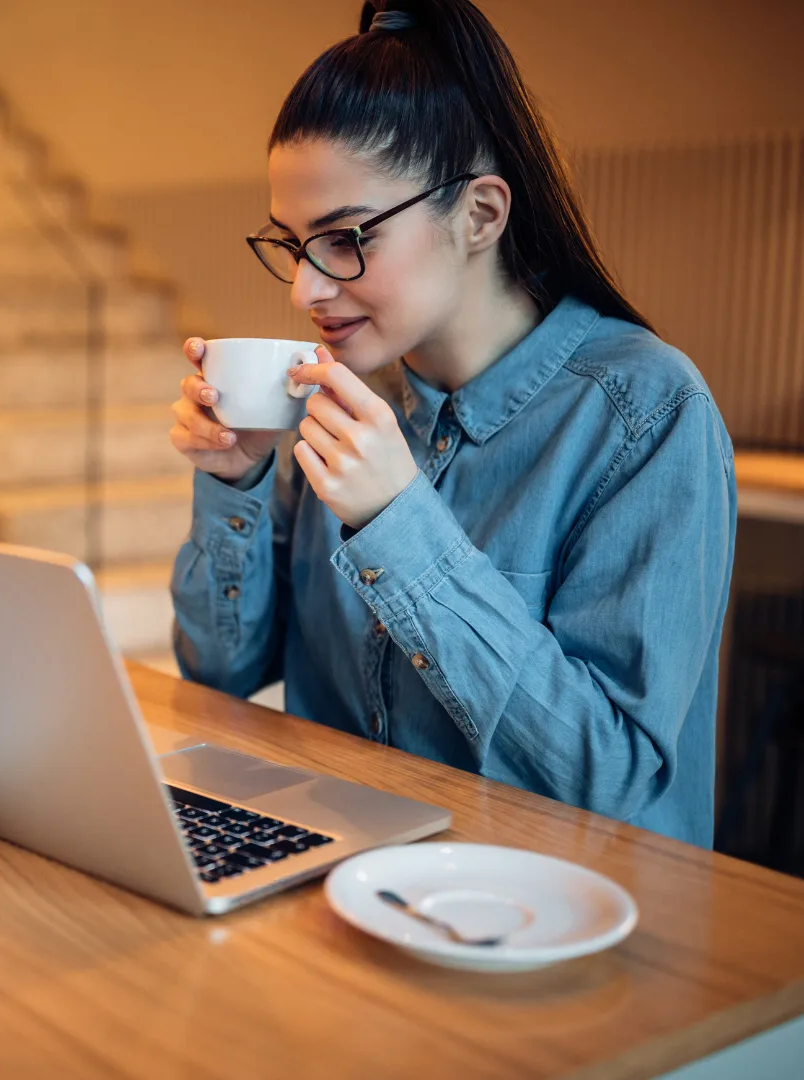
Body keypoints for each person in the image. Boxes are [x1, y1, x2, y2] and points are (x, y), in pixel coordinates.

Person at [168, 0, 735, 847]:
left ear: (479, 215)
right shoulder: (338, 400)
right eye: (292, 244)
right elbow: (221, 669)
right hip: (346, 886)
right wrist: (237, 477)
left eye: (346, 237)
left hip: (564, 929)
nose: (306, 290)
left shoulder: (645, 415)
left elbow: (607, 780)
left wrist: (399, 525)